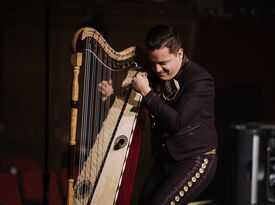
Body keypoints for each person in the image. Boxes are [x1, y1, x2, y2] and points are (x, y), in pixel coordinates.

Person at [99, 24, 217, 205]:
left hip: (195, 159)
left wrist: (146, 92)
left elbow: (177, 121)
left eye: (163, 63)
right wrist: (111, 98)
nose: (157, 69)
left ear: (179, 54)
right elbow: (139, 109)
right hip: (165, 158)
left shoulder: (200, 80)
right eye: (153, 63)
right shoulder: (153, 75)